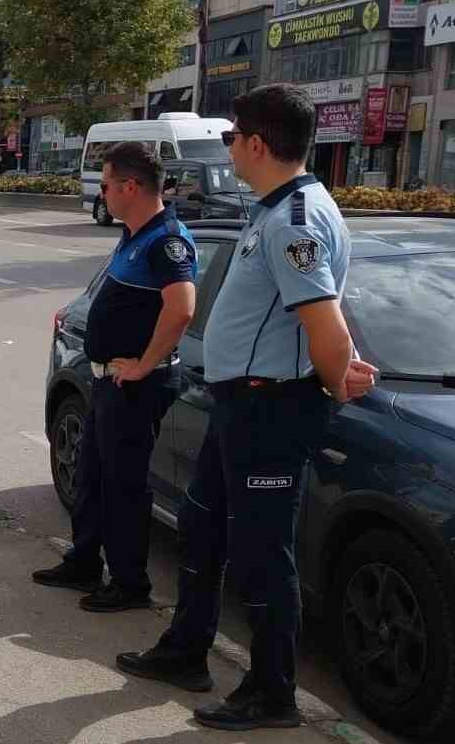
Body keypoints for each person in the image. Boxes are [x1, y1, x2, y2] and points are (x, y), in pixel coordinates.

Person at [115, 84, 378, 731]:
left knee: (263, 553)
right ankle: (186, 650)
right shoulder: (277, 209)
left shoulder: (295, 222)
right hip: (239, 404)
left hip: (269, 412)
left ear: (257, 144)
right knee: (202, 529)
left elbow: (328, 326)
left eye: (233, 135)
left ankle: (271, 690)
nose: (228, 144)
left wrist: (338, 376)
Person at [31, 142, 197, 614]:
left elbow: (182, 307)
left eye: (103, 184)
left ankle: (129, 583)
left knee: (124, 488)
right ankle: (84, 561)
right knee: (91, 476)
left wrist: (144, 363)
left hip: (136, 386)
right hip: (107, 381)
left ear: (129, 186)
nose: (100, 193)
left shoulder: (167, 238)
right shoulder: (135, 234)